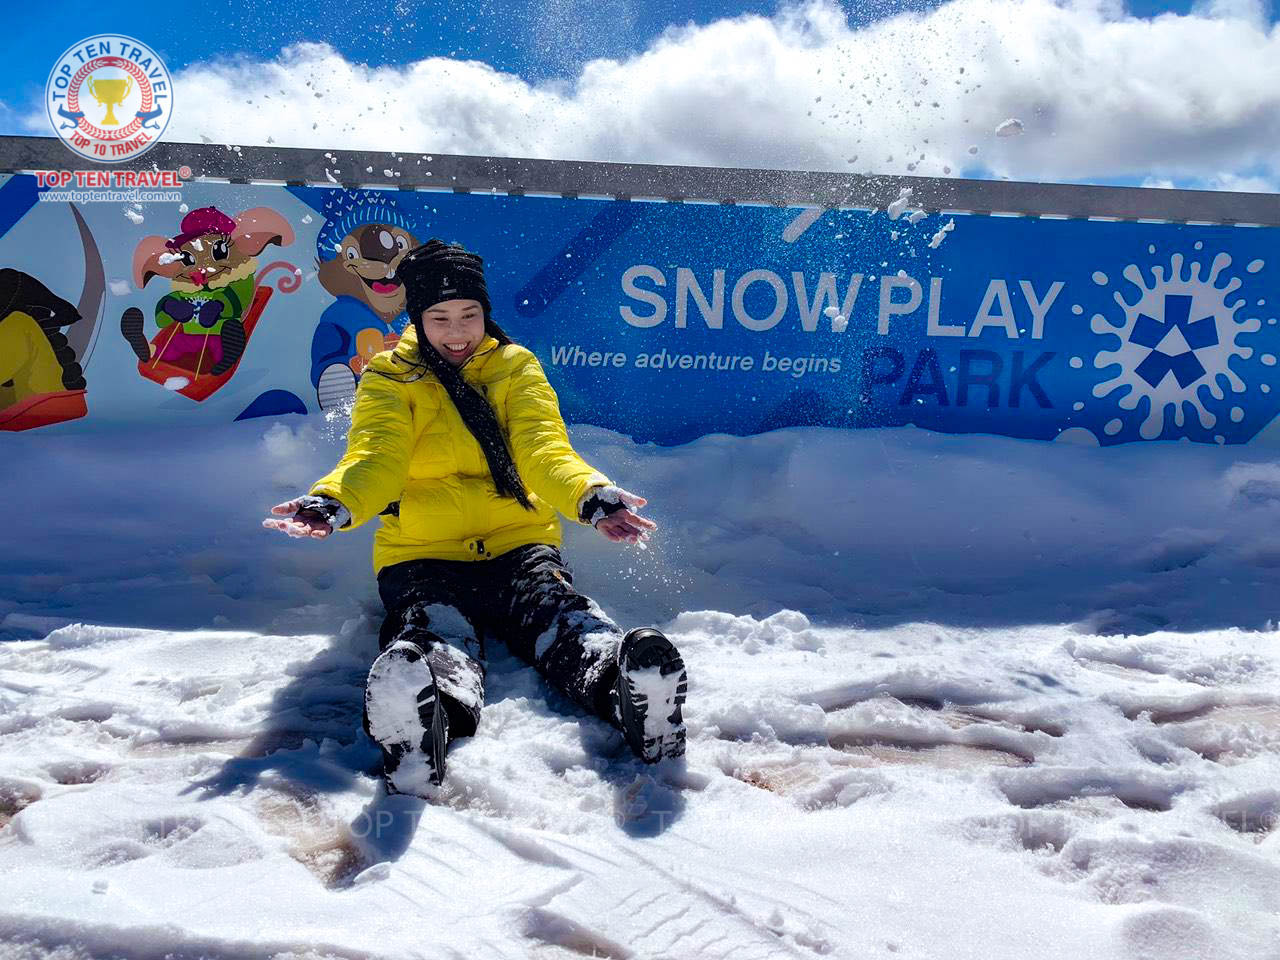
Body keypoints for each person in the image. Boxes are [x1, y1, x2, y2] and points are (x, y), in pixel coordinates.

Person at [262, 238, 688, 797]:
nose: (457, 331)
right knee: (435, 633)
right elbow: (375, 458)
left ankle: (626, 685)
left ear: (486, 313)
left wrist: (589, 495)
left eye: (469, 314)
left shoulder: (515, 367)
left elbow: (543, 449)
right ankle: (421, 722)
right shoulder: (390, 377)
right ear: (418, 318)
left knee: (556, 613)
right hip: (422, 553)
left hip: (517, 544)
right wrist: (335, 501)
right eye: (440, 318)